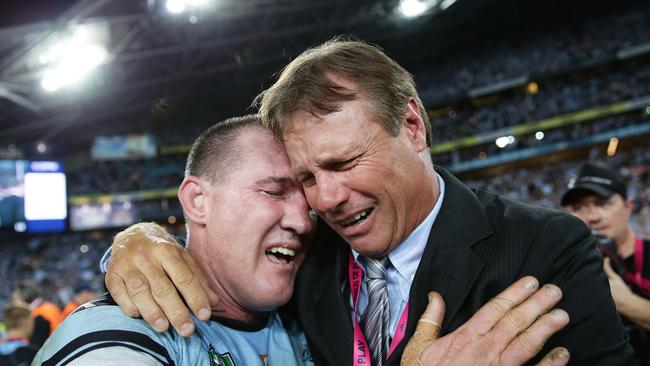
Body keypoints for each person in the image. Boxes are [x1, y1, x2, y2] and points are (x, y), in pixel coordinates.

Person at [104, 38, 634, 365]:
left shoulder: (545, 247)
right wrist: (136, 240)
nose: (326, 200)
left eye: (344, 162)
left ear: (412, 126)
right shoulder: (304, 264)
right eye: (306, 177)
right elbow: (219, 260)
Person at [32, 116, 315, 365]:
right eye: (274, 192)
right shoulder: (122, 328)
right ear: (197, 200)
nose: (302, 222)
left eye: (311, 204)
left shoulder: (317, 310)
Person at [561, 162, 650, 365]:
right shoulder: (565, 274)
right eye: (580, 207)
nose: (592, 216)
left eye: (602, 203)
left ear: (628, 207)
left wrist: (625, 302)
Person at [11, 282, 62, 348]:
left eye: (15, 299)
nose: (14, 304)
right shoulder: (48, 307)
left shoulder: (39, 317)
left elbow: (35, 348)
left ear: (25, 298)